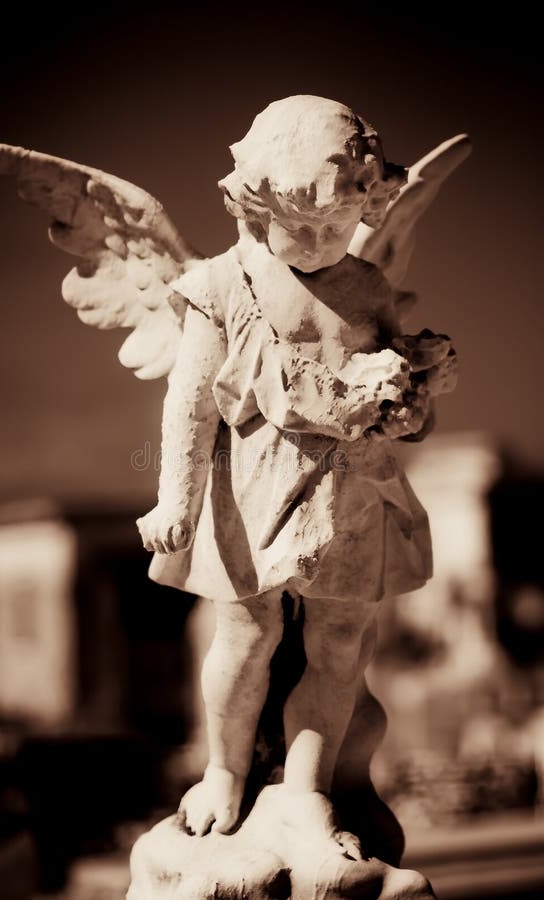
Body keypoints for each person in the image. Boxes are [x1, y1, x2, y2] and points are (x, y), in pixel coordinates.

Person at [137, 96, 453, 849]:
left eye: (336, 227)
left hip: (350, 492)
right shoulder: (220, 285)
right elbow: (190, 406)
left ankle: (308, 791)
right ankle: (225, 771)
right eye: (298, 226)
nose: (316, 242)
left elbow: (401, 408)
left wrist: (415, 399)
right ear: (253, 203)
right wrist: (173, 499)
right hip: (250, 492)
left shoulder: (369, 289)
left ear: (370, 205)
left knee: (342, 642)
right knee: (246, 633)